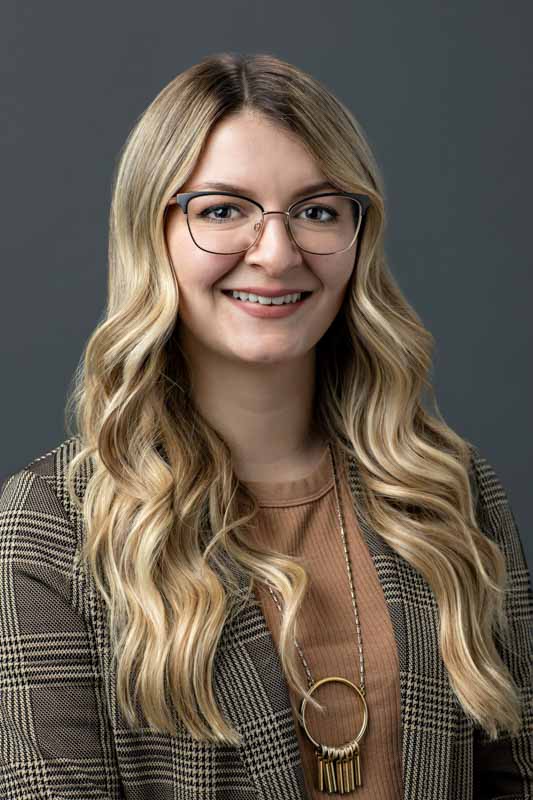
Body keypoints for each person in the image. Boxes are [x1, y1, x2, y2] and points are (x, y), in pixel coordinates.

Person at [0, 51, 531, 800]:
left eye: (317, 212)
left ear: (357, 236)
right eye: (222, 210)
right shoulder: (52, 522)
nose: (276, 254)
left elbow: (514, 774)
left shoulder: (445, 488)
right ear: (151, 233)